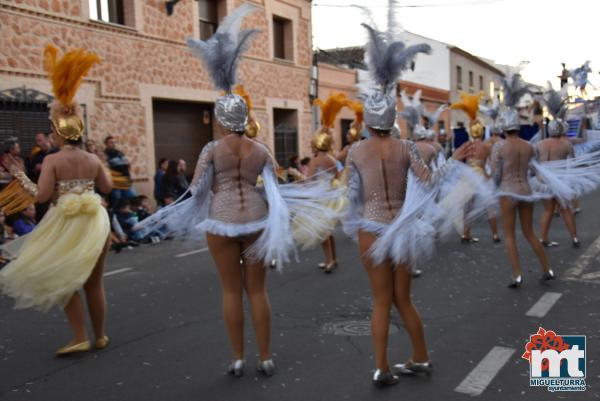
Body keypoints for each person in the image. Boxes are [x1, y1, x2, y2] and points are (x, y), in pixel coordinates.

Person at [345, 21, 475, 386]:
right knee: (403, 299)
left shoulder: (356, 151)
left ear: (369, 121)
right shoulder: (406, 148)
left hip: (371, 230)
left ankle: (382, 367)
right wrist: (456, 159)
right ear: (392, 119)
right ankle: (420, 357)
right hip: (401, 230)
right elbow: (430, 182)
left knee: (381, 302)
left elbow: (351, 196)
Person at [0, 45, 112, 355]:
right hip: (96, 220)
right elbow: (107, 187)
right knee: (94, 283)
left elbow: (44, 195)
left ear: (57, 131)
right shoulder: (92, 158)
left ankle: (79, 336)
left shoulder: (52, 160)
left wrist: (21, 178)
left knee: (63, 279)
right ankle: (100, 335)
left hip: (67, 222)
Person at [491, 74, 553, 288]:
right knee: (529, 233)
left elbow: (496, 174)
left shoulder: (499, 147)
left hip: (508, 192)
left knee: (509, 235)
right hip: (526, 191)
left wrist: (492, 187)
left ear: (503, 128)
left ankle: (517, 275)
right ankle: (547, 268)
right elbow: (535, 171)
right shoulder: (529, 146)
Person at [537, 108, 579, 248]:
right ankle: (574, 238)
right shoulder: (566, 144)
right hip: (559, 180)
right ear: (560, 131)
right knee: (565, 209)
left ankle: (543, 238)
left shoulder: (539, 144)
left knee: (548, 210)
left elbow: (534, 164)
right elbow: (573, 162)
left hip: (543, 181)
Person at [104, 135, 136, 206]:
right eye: (111, 142)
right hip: (116, 185)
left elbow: (127, 164)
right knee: (117, 204)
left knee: (133, 200)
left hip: (127, 182)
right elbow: (105, 169)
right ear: (106, 144)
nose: (113, 144)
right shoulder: (105, 154)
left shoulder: (119, 153)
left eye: (114, 142)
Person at [337, 99, 363, 165]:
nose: (346, 136)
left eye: (349, 134)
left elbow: (337, 158)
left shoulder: (348, 148)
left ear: (353, 136)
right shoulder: (362, 146)